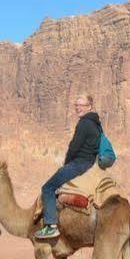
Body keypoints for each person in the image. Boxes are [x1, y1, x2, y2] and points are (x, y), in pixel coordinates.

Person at [34, 95, 102, 239]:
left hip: (79, 163)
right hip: (90, 163)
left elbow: (74, 146)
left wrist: (66, 163)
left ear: (90, 106)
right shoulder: (97, 123)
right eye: (76, 105)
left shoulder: (84, 123)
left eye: (81, 105)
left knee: (48, 188)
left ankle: (51, 225)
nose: (78, 108)